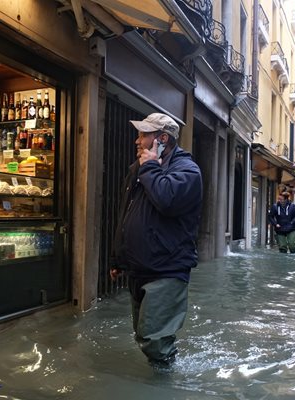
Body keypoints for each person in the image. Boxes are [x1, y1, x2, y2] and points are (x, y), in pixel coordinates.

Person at [109, 112, 203, 370]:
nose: (137, 141)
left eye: (143, 135)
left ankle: (167, 385)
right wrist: (118, 257)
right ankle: (162, 372)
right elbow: (126, 213)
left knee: (154, 340)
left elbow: (167, 201)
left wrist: (149, 167)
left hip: (168, 267)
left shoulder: (187, 170)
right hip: (140, 267)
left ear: (162, 139)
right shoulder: (137, 170)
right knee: (143, 334)